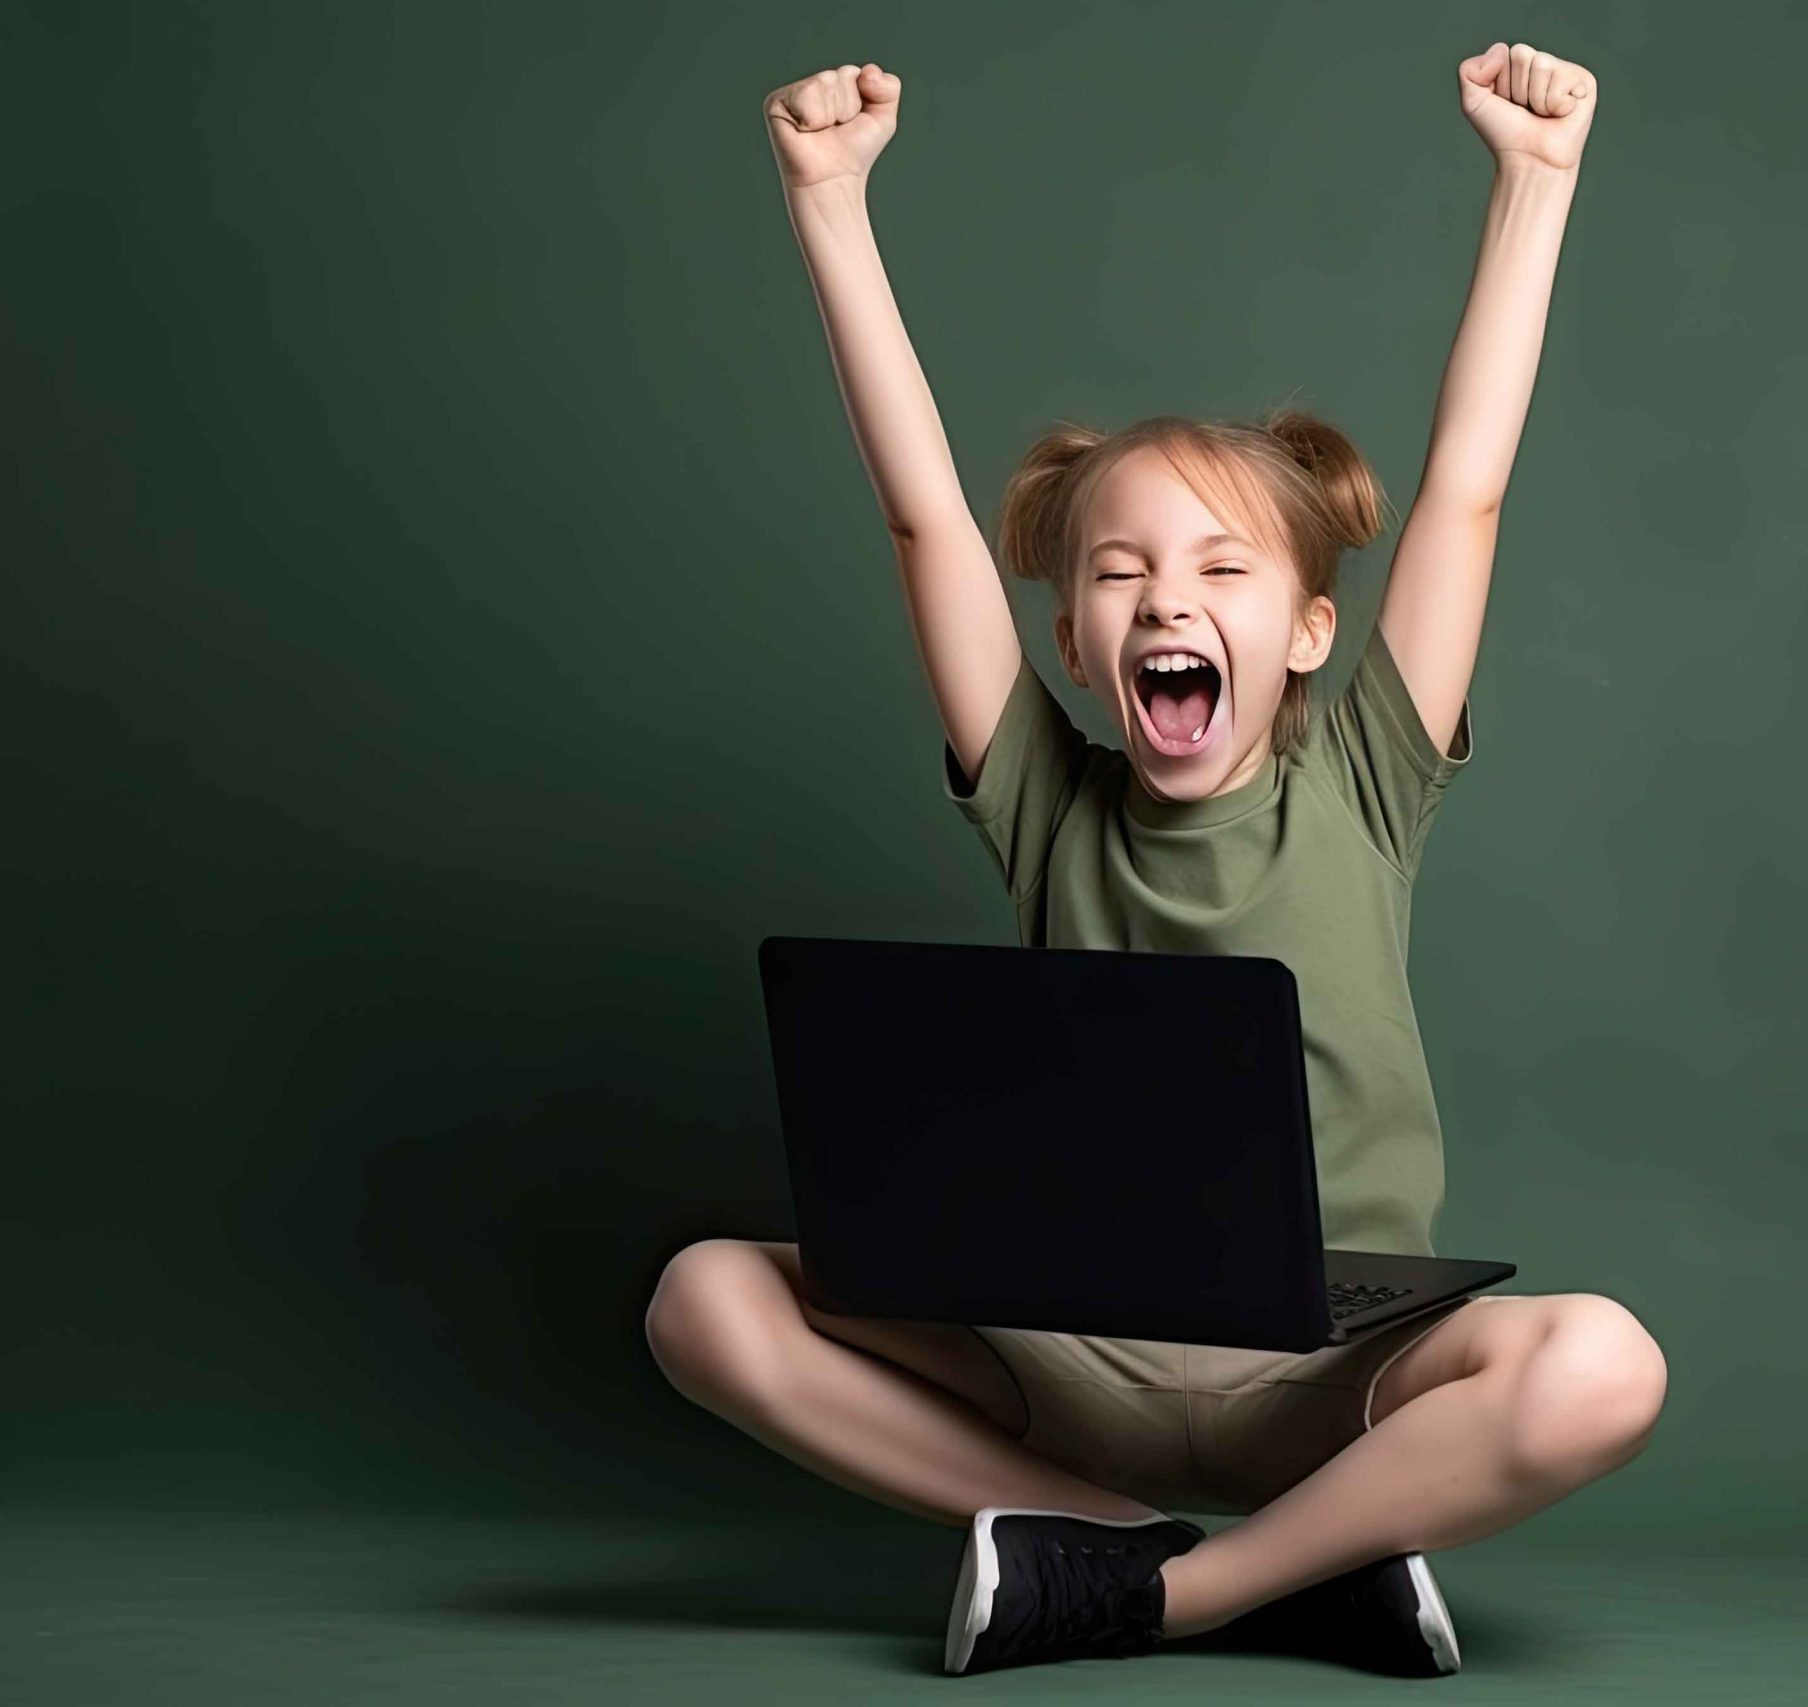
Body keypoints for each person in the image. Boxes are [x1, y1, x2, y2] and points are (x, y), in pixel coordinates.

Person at [646, 40, 1667, 1678]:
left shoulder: (1367, 775)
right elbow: (924, 520)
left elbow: (1465, 497)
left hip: (1334, 1377)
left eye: (1220, 569)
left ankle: (1178, 1589)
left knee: (1607, 1363)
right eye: (1119, 572)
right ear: (1072, 633)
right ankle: (1109, 1533)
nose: (1166, 600)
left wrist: (1535, 185)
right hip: (1065, 1371)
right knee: (703, 1298)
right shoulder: (1048, 796)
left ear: (1312, 630)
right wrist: (827, 205)